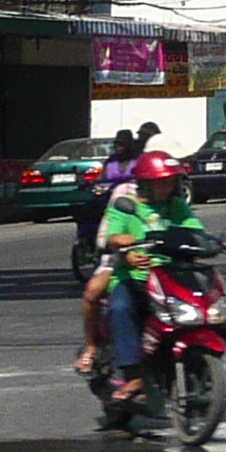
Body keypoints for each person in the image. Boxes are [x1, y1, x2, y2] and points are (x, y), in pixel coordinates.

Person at [92, 151, 226, 409]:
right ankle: (132, 375)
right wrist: (124, 245)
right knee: (121, 307)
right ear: (145, 182)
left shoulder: (176, 206)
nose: (166, 187)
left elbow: (194, 231)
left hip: (171, 274)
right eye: (160, 182)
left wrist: (221, 243)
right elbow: (112, 237)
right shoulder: (127, 206)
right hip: (136, 278)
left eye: (170, 182)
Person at [71, 127, 149, 379]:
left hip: (159, 261)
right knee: (93, 290)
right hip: (120, 259)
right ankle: (92, 346)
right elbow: (107, 236)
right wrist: (121, 247)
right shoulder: (123, 192)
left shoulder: (172, 195)